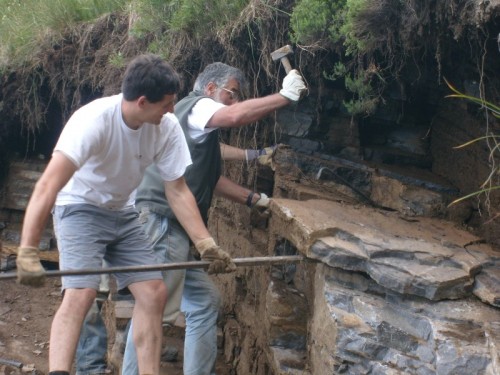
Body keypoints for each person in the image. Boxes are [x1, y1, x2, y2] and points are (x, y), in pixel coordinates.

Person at [15, 53, 234, 375]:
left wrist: (205, 243)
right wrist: (28, 250)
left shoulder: (167, 127)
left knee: (154, 292)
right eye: (167, 103)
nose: (172, 109)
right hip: (79, 208)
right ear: (143, 102)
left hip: (124, 212)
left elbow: (177, 190)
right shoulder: (93, 121)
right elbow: (47, 186)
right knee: (82, 291)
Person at [122, 62, 306, 375]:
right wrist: (285, 96)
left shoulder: (193, 130)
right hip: (162, 223)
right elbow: (235, 116)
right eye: (230, 94)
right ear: (210, 89)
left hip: (171, 229)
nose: (233, 102)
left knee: (205, 300)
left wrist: (254, 199)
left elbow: (209, 180)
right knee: (152, 312)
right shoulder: (196, 106)